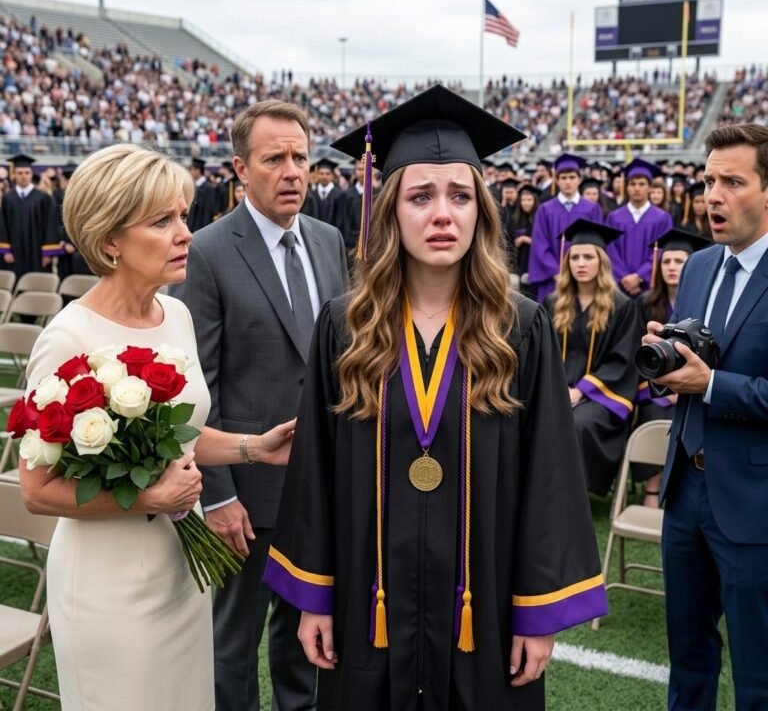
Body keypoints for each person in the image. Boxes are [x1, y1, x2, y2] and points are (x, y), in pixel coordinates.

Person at [264, 85, 607, 711]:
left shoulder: (520, 328)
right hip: (370, 605)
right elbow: (314, 471)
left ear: (482, 210)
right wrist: (315, 596)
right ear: (390, 209)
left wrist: (536, 612)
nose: (442, 214)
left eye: (460, 196)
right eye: (421, 196)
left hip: (487, 604)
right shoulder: (344, 326)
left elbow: (549, 476)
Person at [18, 143, 296, 711]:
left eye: (184, 216)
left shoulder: (178, 314)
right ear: (109, 241)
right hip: (109, 589)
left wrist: (253, 447)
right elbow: (36, 490)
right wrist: (148, 495)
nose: (185, 233)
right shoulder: (69, 339)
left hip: (179, 574)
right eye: (162, 220)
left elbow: (181, 436)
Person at [175, 100, 349, 711]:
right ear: (241, 170)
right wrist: (217, 495)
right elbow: (199, 388)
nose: (293, 170)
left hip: (322, 487)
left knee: (307, 640)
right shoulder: (207, 250)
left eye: (301, 156)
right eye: (275, 158)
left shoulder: (328, 240)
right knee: (233, 645)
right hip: (244, 496)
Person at [642, 123, 768, 709]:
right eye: (708, 179)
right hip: (685, 491)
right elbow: (691, 362)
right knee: (687, 657)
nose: (712, 194)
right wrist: (668, 365)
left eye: (733, 182)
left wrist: (712, 383)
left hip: (752, 500)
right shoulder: (695, 267)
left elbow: (717, 378)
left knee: (756, 670)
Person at [546, 218, 641, 496]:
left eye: (588, 257)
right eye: (574, 257)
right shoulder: (554, 303)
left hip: (601, 395)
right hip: (559, 388)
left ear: (601, 262)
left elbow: (622, 360)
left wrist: (580, 391)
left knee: (578, 423)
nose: (581, 263)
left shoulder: (622, 307)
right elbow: (544, 352)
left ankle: (571, 494)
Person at [634, 229, 711, 507]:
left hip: (696, 389)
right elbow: (638, 355)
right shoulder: (645, 303)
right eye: (666, 262)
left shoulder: (704, 303)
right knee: (654, 410)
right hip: (655, 390)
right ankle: (652, 490)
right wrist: (663, 389)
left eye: (679, 262)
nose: (671, 268)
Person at [527, 153, 603, 302]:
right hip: (553, 279)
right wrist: (556, 272)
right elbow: (540, 244)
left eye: (572, 177)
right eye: (563, 178)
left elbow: (598, 245)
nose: (568, 182)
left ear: (579, 180)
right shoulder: (545, 209)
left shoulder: (592, 209)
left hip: (584, 279)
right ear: (557, 180)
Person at [606, 158, 673, 297]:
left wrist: (640, 277)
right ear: (626, 187)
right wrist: (623, 277)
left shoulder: (662, 218)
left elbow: (662, 250)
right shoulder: (614, 217)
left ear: (649, 187)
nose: (637, 188)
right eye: (632, 184)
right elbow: (609, 250)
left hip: (650, 287)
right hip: (619, 288)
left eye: (642, 184)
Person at [0, 153, 63, 278]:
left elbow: (50, 225)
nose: (24, 176)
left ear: (32, 174)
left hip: (37, 253)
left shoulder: (43, 198)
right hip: (14, 252)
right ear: (14, 175)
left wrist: (47, 253)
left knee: (37, 282)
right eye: (20, 173)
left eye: (27, 172)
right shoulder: (7, 198)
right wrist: (5, 250)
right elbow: (2, 226)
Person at [303, 157, 346, 231]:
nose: (324, 176)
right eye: (321, 173)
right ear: (317, 175)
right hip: (314, 234)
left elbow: (342, 219)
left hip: (333, 234)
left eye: (327, 174)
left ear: (332, 175)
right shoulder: (311, 195)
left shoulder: (340, 195)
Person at [187, 157, 218, 233]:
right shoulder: (195, 186)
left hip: (200, 228)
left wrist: (204, 231)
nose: (190, 172)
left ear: (198, 171)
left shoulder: (207, 188)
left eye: (192, 169)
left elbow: (208, 211)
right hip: (191, 227)